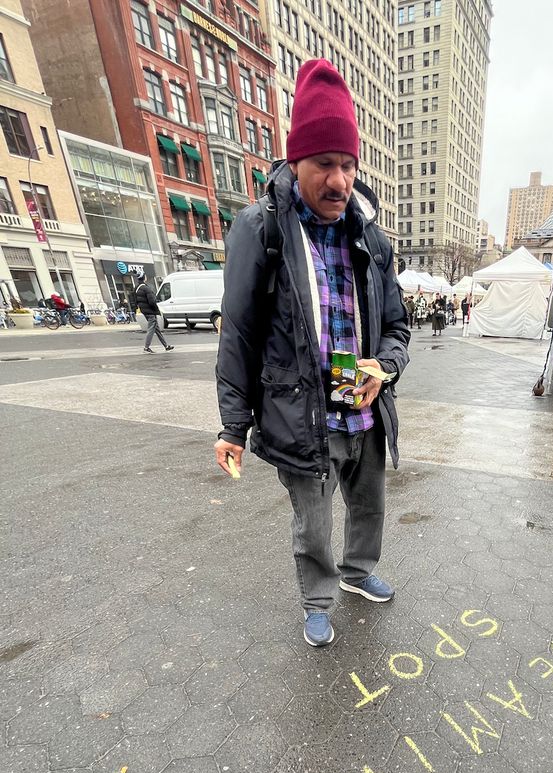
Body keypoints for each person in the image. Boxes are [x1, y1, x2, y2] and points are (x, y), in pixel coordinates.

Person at [214, 59, 410, 648]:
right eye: (326, 163)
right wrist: (232, 425)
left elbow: (398, 325)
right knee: (315, 522)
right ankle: (317, 597)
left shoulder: (371, 236)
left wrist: (388, 366)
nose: (339, 179)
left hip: (364, 407)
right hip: (302, 415)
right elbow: (240, 332)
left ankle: (357, 573)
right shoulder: (262, 228)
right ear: (296, 161)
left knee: (368, 504)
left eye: (348, 164)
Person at [135, 275, 173, 352]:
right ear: (144, 278)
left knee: (157, 329)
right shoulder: (146, 288)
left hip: (145, 311)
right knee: (151, 330)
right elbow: (152, 302)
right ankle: (146, 347)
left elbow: (136, 301)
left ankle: (166, 346)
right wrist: (157, 310)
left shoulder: (137, 288)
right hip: (151, 312)